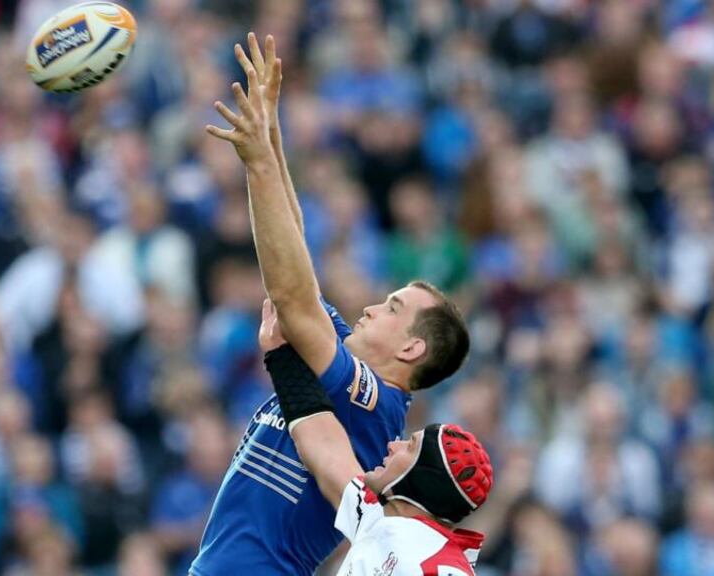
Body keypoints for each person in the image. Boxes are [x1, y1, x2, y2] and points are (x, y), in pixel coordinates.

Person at [191, 34, 470, 575]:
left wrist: (259, 166)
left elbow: (291, 298)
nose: (371, 308)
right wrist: (269, 136)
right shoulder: (343, 369)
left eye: (392, 308)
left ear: (412, 347)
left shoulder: (375, 402)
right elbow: (294, 262)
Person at [259, 300, 492, 574]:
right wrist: (280, 355)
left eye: (410, 446)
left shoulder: (443, 568)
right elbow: (320, 442)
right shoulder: (373, 516)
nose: (393, 445)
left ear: (425, 480)